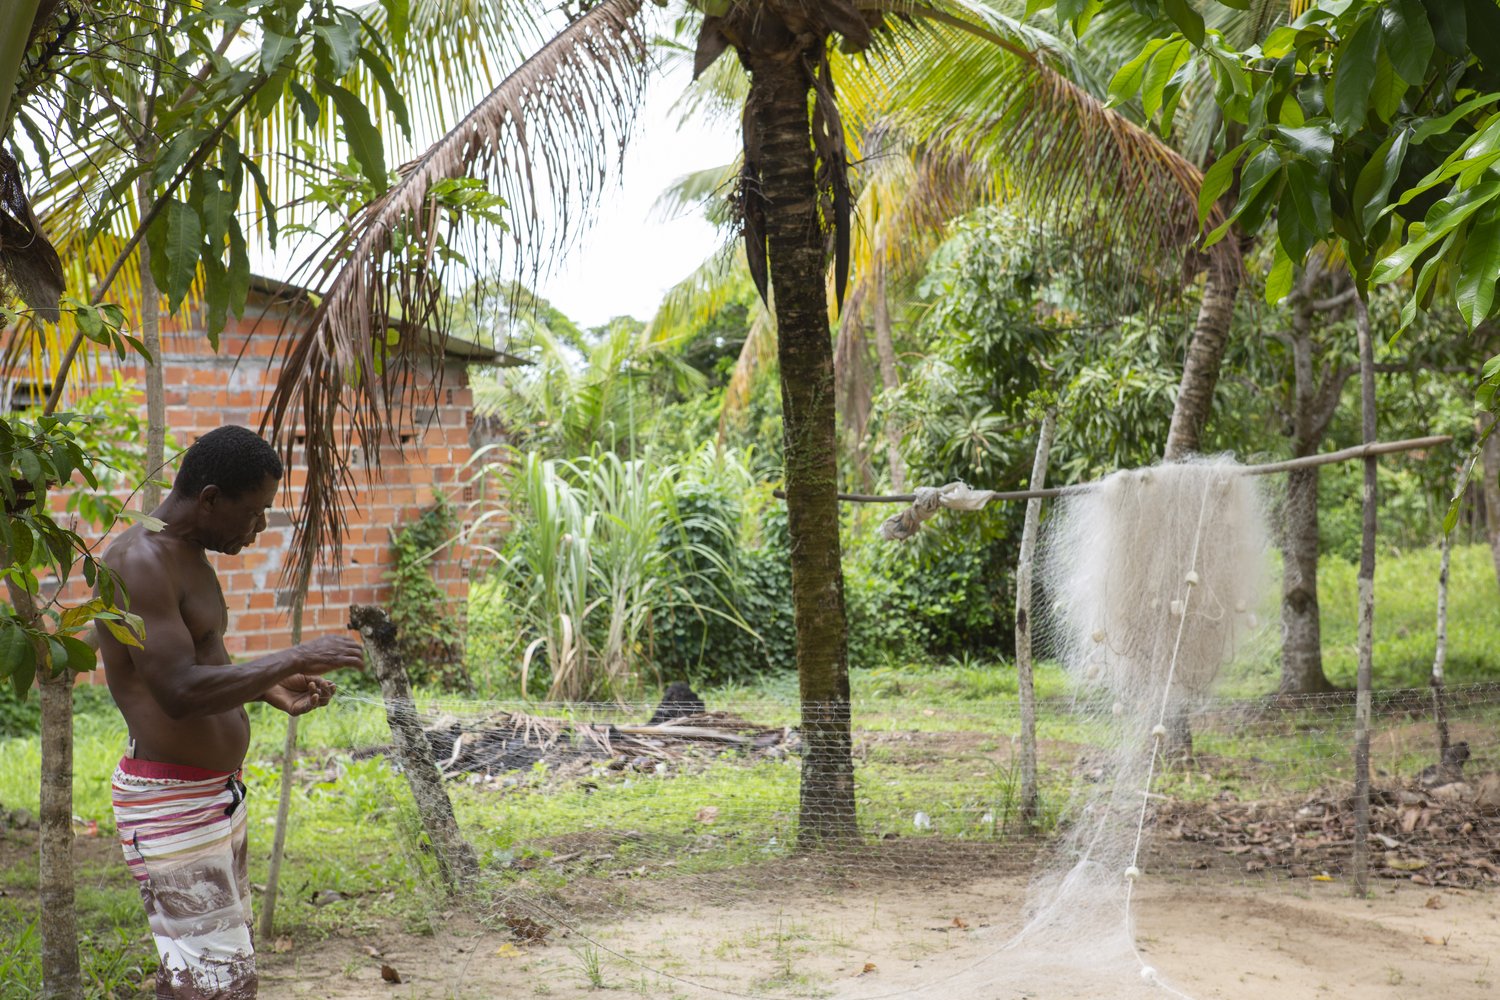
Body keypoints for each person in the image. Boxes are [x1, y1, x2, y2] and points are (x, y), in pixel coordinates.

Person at [97, 425, 365, 999]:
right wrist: (297, 652)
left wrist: (269, 683)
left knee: (197, 979)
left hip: (215, 794)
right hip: (173, 805)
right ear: (211, 498)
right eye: (255, 511)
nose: (261, 526)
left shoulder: (185, 550)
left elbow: (197, 660)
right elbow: (176, 692)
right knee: (223, 987)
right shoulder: (140, 561)